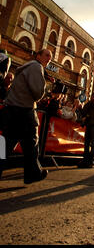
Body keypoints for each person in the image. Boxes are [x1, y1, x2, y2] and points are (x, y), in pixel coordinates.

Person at [0, 49, 52, 183]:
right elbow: (37, 93)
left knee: (7, 144)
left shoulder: (26, 68)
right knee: (31, 144)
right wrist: (44, 88)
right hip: (24, 111)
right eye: (46, 55)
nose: (49, 59)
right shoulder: (36, 67)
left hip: (12, 110)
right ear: (38, 55)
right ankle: (32, 174)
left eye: (51, 57)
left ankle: (33, 173)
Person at [78, 92, 94, 168]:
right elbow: (84, 112)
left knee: (92, 143)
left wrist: (88, 116)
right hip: (89, 125)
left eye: (93, 97)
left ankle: (90, 160)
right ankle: (85, 160)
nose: (91, 98)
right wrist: (80, 108)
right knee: (86, 143)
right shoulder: (89, 104)